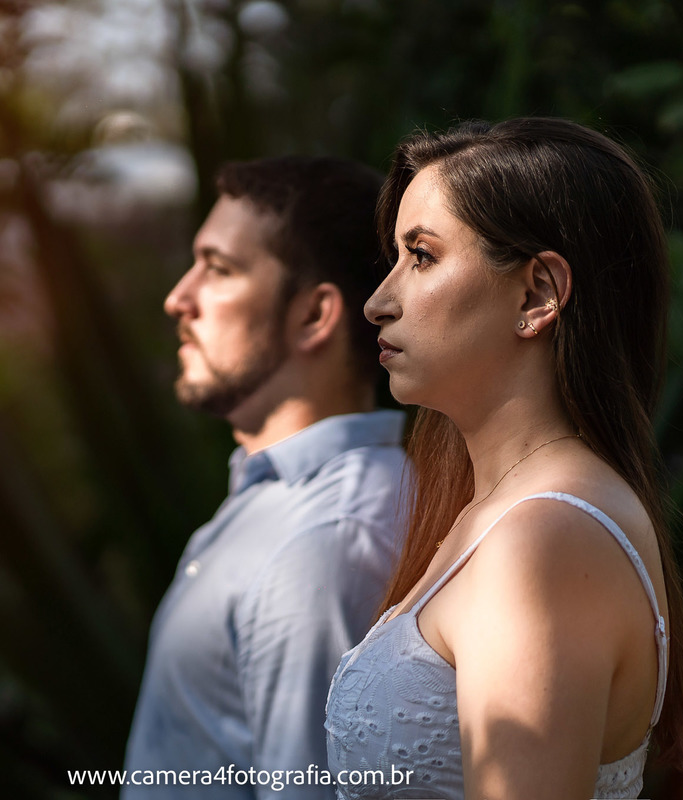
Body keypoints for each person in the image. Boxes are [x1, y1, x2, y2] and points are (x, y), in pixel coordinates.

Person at [325, 118, 683, 799]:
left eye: (421, 256)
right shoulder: (500, 515)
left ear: (538, 294)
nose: (377, 301)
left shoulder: (546, 539)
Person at [123, 156, 410, 799]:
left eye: (218, 269)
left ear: (314, 316)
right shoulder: (275, 499)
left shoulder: (326, 541)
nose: (179, 298)